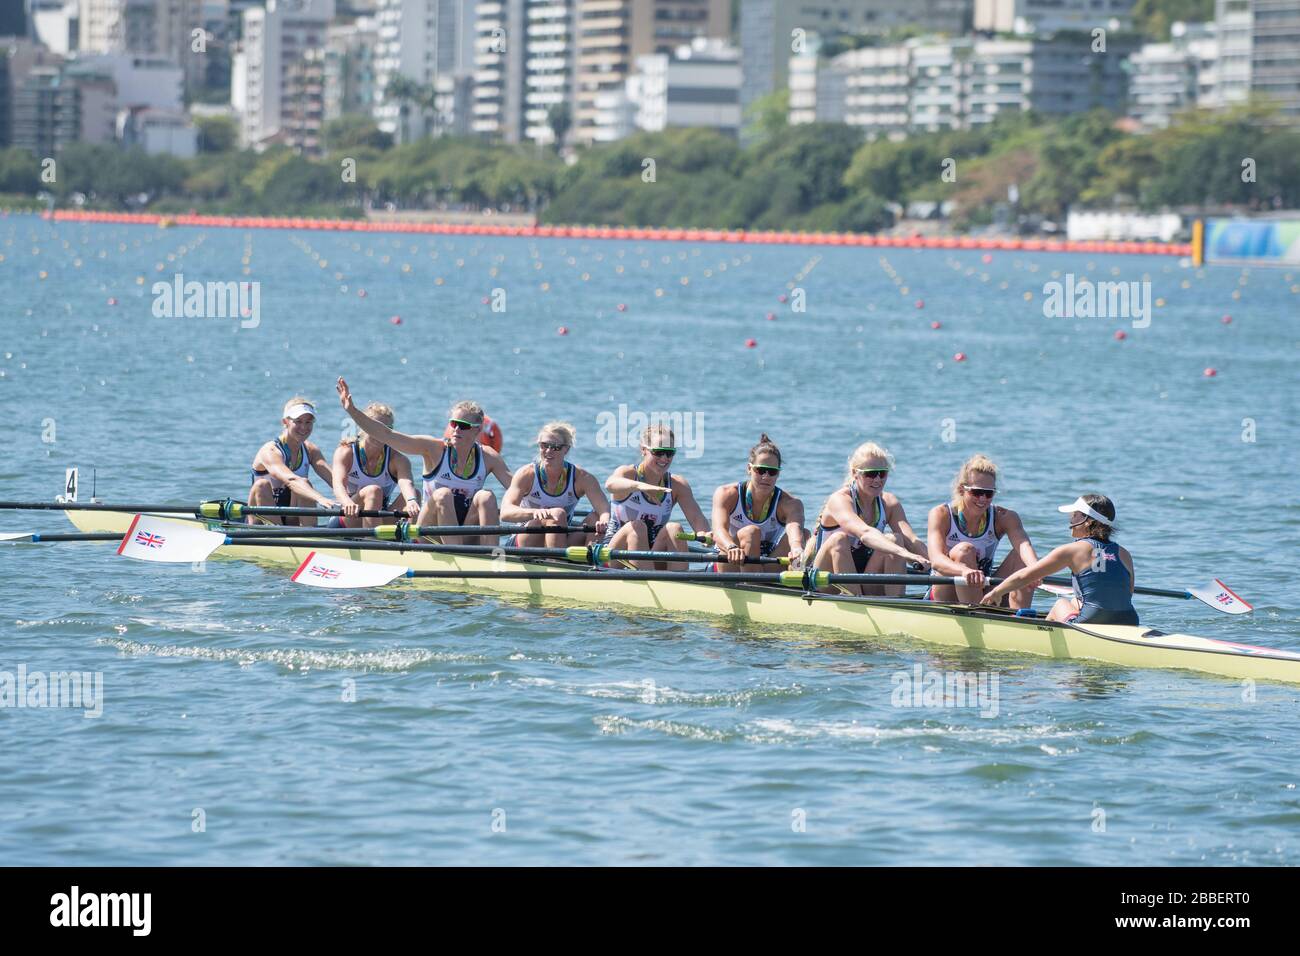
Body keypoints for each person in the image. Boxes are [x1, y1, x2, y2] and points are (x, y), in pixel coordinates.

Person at [336, 378, 511, 544]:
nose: (456, 429)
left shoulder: (488, 457)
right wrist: (352, 411)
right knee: (443, 494)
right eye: (453, 424)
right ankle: (454, 556)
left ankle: (494, 558)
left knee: (487, 496)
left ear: (477, 430)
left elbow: (518, 489)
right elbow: (386, 435)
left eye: (463, 425)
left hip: (463, 529)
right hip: (430, 533)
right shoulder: (434, 448)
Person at [981, 494, 1138, 624]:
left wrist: (996, 592)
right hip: (1129, 619)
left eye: (1075, 515)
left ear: (1088, 521)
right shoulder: (1124, 553)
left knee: (1061, 604)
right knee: (1074, 603)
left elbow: (1025, 575)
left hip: (1092, 619)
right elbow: (1127, 593)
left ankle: (1040, 640)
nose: (1071, 520)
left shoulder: (1071, 551)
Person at [804, 442, 929, 595]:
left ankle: (896, 603)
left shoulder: (889, 503)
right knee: (839, 539)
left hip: (863, 577)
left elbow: (911, 539)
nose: (877, 480)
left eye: (882, 473)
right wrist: (905, 554)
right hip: (825, 580)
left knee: (895, 539)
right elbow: (865, 533)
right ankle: (856, 602)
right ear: (855, 473)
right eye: (870, 474)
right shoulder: (840, 500)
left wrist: (939, 565)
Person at [926, 454, 1039, 607]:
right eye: (977, 492)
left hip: (983, 589)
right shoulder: (941, 514)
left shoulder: (1004, 517)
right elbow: (936, 561)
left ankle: (1022, 619)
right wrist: (963, 571)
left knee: (1023, 559)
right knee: (964, 551)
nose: (983, 499)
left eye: (989, 493)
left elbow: (1024, 545)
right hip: (946, 591)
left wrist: (1035, 571)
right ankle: (979, 616)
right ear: (961, 490)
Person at [601, 424, 710, 570]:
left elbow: (698, 520)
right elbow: (610, 484)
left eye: (669, 453)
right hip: (613, 555)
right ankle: (646, 582)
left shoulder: (677, 485)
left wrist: (706, 535)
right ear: (643, 450)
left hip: (651, 552)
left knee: (675, 528)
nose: (664, 458)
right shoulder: (627, 473)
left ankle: (680, 584)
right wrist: (642, 486)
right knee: (637, 526)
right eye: (658, 452)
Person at [499, 421, 610, 547]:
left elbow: (604, 509)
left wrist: (603, 521)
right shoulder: (526, 474)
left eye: (555, 447)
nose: (548, 451)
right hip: (525, 539)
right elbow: (505, 513)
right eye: (544, 445)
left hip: (559, 538)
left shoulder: (582, 477)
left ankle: (592, 561)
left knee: (595, 517)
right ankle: (556, 561)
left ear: (566, 449)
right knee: (556, 513)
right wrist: (534, 513)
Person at [709, 434, 807, 572]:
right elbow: (718, 531)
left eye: (772, 472)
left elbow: (794, 531)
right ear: (749, 468)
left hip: (765, 563)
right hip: (729, 560)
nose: (766, 476)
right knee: (751, 532)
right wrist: (731, 547)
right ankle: (755, 585)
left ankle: (763, 584)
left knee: (805, 535)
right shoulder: (727, 494)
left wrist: (797, 548)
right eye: (760, 470)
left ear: (778, 474)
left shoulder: (790, 504)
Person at [330, 401, 421, 528]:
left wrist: (411, 501)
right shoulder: (346, 452)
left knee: (415, 494)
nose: (380, 434)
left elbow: (406, 483)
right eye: (375, 428)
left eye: (386, 429)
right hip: (348, 519)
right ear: (364, 427)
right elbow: (338, 485)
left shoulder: (397, 459)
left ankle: (412, 543)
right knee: (373, 490)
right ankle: (372, 542)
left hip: (379, 520)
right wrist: (347, 502)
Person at [248, 397, 335, 526]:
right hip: (261, 518)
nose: (304, 427)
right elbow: (291, 480)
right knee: (262, 485)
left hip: (291, 517)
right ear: (285, 422)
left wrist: (351, 499)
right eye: (298, 421)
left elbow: (334, 480)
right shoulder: (270, 450)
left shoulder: (311, 450)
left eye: (308, 422)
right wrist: (320, 499)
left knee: (304, 484)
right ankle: (277, 534)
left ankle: (310, 535)